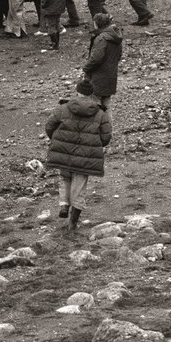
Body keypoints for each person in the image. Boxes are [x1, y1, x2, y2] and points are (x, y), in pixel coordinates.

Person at [45, 80, 111, 231]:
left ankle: (63, 206)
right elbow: (106, 137)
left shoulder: (62, 108)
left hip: (64, 152)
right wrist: (94, 145)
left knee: (64, 178)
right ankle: (73, 222)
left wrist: (57, 141)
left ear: (77, 91)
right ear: (91, 94)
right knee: (79, 187)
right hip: (86, 158)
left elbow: (49, 126)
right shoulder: (100, 113)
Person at [82, 13, 124, 111]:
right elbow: (118, 56)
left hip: (98, 77)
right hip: (111, 75)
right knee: (106, 105)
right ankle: (107, 126)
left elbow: (96, 58)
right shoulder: (116, 37)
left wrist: (85, 68)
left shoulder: (101, 38)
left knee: (93, 105)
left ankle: (96, 125)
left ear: (97, 24)